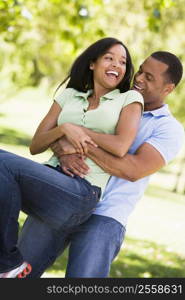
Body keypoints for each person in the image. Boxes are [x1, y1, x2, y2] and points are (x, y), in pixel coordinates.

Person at [18, 50, 184, 278]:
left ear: (168, 89)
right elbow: (62, 130)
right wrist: (64, 150)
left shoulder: (168, 129)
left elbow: (132, 169)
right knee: (16, 275)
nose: (139, 79)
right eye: (141, 71)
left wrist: (79, 138)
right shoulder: (110, 99)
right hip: (64, 197)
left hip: (106, 215)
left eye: (149, 78)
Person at [0, 37, 143, 278]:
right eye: (109, 58)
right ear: (92, 64)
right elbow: (36, 144)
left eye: (123, 62)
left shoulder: (129, 99)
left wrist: (80, 133)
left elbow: (120, 146)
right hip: (48, 186)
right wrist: (63, 131)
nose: (117, 65)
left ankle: (6, 260)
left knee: (3, 162)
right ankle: (9, 264)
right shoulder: (69, 96)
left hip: (81, 192)